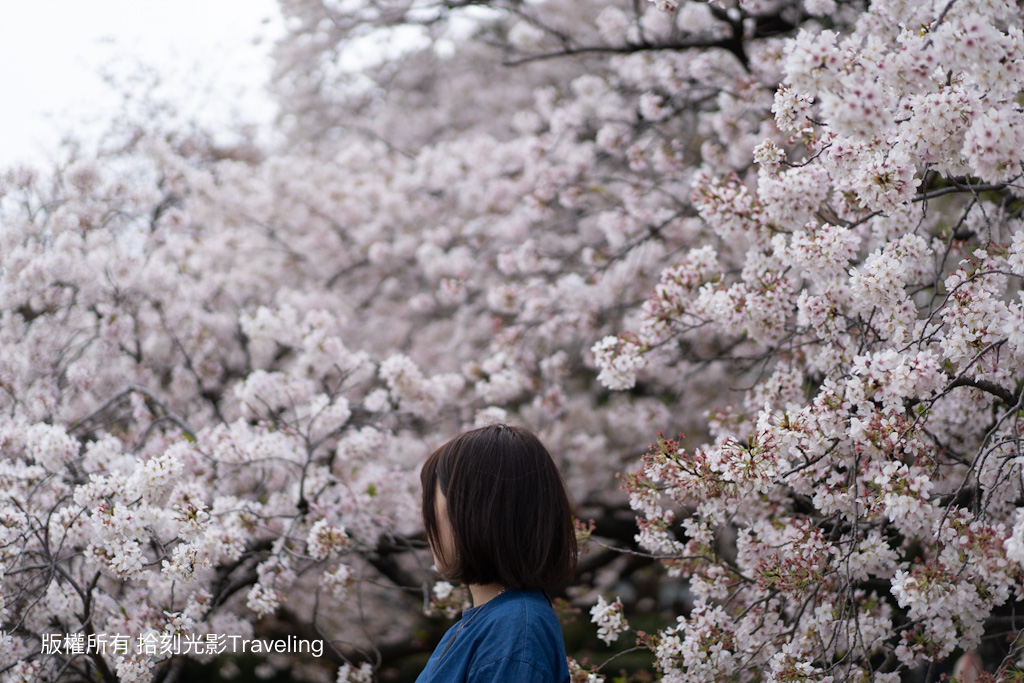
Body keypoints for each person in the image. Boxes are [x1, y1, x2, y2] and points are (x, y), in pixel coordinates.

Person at [416, 423, 578, 683]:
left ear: (469, 513)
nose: (426, 523)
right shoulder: (489, 623)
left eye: (429, 506)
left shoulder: (514, 630)